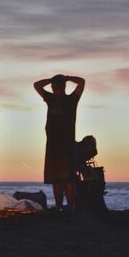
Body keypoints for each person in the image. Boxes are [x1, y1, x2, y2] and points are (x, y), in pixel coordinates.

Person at [34, 74, 85, 211]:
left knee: (68, 179)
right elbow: (37, 85)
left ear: (62, 87)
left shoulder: (71, 99)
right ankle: (58, 207)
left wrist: (67, 77)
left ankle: (70, 207)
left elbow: (81, 82)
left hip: (67, 144)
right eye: (53, 86)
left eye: (56, 86)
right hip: (52, 144)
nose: (54, 89)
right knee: (55, 179)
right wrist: (51, 79)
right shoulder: (50, 99)